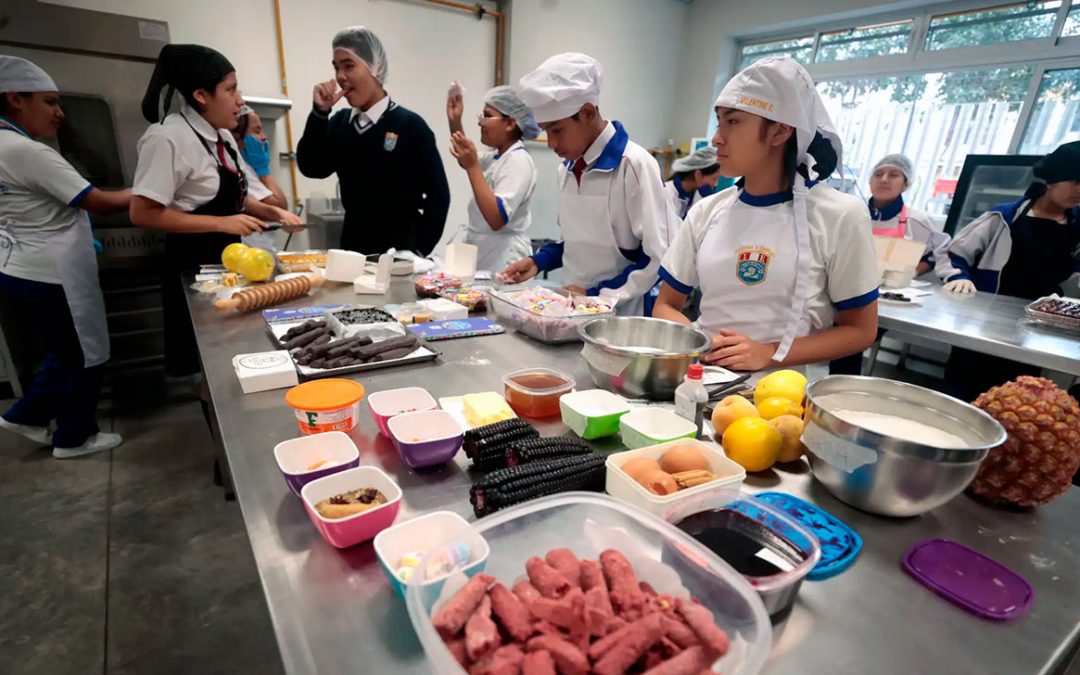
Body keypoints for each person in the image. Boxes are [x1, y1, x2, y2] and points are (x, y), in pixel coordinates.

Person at [652, 57, 880, 374]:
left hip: (785, 397)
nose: (716, 138)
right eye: (719, 122)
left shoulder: (839, 215)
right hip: (701, 380)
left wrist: (769, 354)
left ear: (779, 132)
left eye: (732, 122)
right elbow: (665, 305)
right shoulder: (707, 211)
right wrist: (700, 339)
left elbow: (860, 331)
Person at [130, 44, 300, 377]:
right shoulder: (168, 138)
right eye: (231, 89)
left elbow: (229, 196)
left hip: (229, 263)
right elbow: (143, 212)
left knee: (233, 353)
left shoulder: (221, 135)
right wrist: (222, 223)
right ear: (201, 95)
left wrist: (272, 214)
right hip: (193, 269)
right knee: (208, 363)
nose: (240, 99)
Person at [0, 56, 129, 457]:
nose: (60, 113)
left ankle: (31, 416)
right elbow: (100, 202)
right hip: (52, 270)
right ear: (15, 99)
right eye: (49, 102)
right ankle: (73, 436)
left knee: (65, 351)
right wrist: (158, 192)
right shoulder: (25, 151)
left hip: (21, 264)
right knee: (82, 351)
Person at [500, 53, 674, 316]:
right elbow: (578, 243)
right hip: (574, 310)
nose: (552, 144)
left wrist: (594, 296)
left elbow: (658, 257)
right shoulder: (568, 169)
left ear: (588, 113)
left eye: (557, 130)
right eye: (546, 131)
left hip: (620, 318)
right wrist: (539, 261)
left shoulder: (634, 165)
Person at [936, 140, 1080, 401]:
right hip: (983, 322)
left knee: (1016, 401)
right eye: (1074, 181)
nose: (1079, 190)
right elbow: (953, 252)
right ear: (1051, 180)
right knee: (963, 394)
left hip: (1037, 331)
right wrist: (959, 277)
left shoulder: (1076, 229)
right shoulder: (1004, 217)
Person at [297, 26, 450, 256]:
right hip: (353, 250)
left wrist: (418, 249)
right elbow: (312, 167)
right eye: (336, 67)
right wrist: (319, 114)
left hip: (400, 252)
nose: (340, 76)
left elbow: (439, 195)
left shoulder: (410, 126)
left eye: (349, 66)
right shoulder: (340, 124)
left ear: (375, 68)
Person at [446, 84, 539, 273]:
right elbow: (464, 157)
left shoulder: (518, 161)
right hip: (486, 253)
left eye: (487, 116)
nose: (481, 122)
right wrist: (455, 121)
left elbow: (496, 219)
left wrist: (472, 166)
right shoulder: (497, 157)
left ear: (510, 123)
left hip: (504, 258)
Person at [867, 153, 949, 274]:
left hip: (894, 291)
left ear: (905, 184)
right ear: (870, 182)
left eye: (893, 175)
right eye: (878, 174)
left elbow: (935, 255)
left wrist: (910, 275)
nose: (883, 179)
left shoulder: (916, 220)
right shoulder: (854, 216)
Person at [232, 105, 287, 208]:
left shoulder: (249, 168)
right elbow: (280, 206)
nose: (264, 137)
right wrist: (263, 170)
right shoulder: (238, 169)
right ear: (237, 136)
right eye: (257, 131)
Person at [664, 145, 730, 221]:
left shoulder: (697, 196)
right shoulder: (666, 193)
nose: (716, 184)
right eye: (714, 178)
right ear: (698, 175)